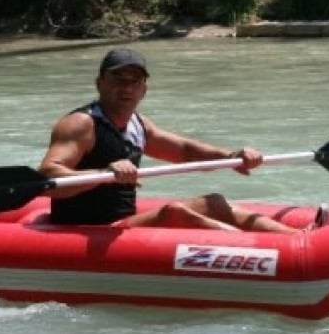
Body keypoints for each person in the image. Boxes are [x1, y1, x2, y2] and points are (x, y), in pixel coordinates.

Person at [38, 48, 297, 232]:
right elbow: (47, 178)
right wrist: (104, 173)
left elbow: (184, 151)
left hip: (121, 222)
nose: (126, 87)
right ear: (99, 83)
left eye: (134, 81)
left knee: (215, 203)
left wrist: (231, 158)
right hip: (87, 229)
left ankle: (295, 237)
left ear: (144, 89)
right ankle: (257, 251)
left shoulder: (138, 124)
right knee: (175, 213)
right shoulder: (81, 124)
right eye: (118, 79)